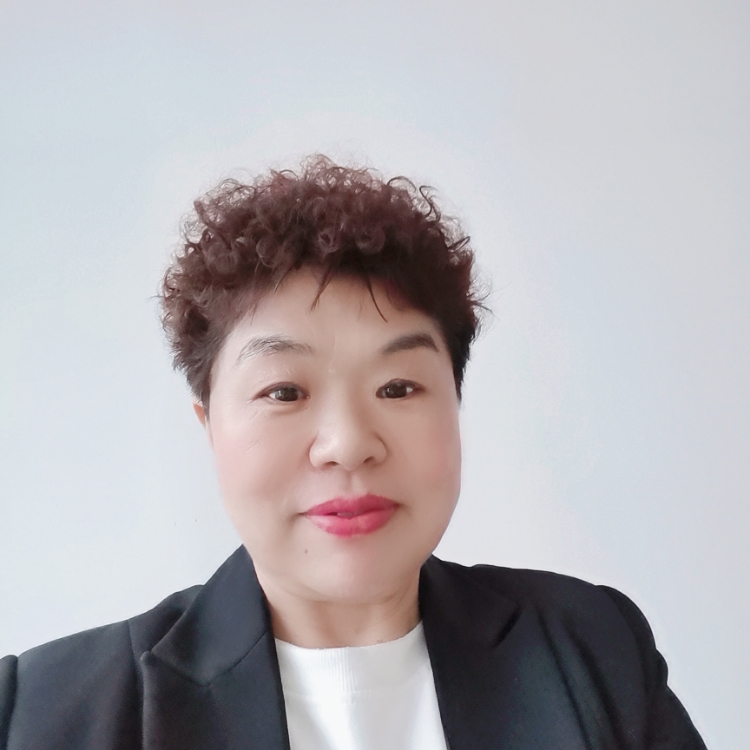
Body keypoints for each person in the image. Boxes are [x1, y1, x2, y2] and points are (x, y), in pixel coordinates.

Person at [0, 157, 706, 750]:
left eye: (398, 387)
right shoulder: (44, 714)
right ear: (208, 425)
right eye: (284, 391)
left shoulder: (589, 653)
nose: (348, 445)